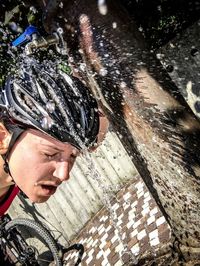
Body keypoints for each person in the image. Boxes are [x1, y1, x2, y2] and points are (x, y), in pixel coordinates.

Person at [0, 60, 107, 263]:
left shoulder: (14, 170)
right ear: (2, 138)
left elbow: (99, 132)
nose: (64, 175)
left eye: (73, 156)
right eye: (50, 154)